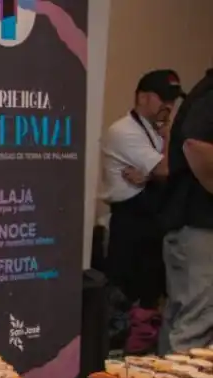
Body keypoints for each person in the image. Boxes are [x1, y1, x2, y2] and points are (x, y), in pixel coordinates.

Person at [99, 70, 184, 354]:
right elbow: (167, 169)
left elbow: (168, 171)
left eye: (173, 100)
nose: (169, 107)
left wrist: (148, 175)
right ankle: (117, 356)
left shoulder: (155, 128)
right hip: (130, 221)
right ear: (143, 97)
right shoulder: (124, 130)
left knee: (152, 295)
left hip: (154, 219)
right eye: (164, 99)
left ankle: (144, 355)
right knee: (125, 296)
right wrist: (158, 171)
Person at [159, 68, 213, 353]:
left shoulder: (200, 93)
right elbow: (196, 145)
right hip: (200, 228)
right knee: (197, 325)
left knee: (180, 319)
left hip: (187, 226)